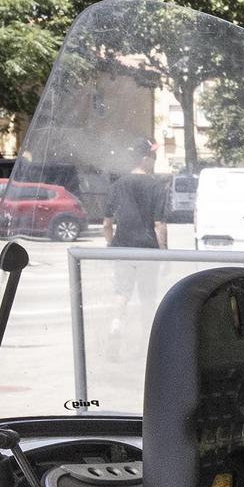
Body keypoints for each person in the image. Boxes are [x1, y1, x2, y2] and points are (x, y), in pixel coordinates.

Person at [102, 140, 167, 352]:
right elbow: (159, 225)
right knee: (147, 297)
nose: (155, 161)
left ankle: (115, 328)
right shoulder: (156, 186)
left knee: (121, 293)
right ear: (144, 158)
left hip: (123, 249)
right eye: (153, 157)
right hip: (148, 251)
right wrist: (165, 253)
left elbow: (107, 224)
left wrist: (111, 245)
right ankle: (145, 343)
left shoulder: (117, 185)